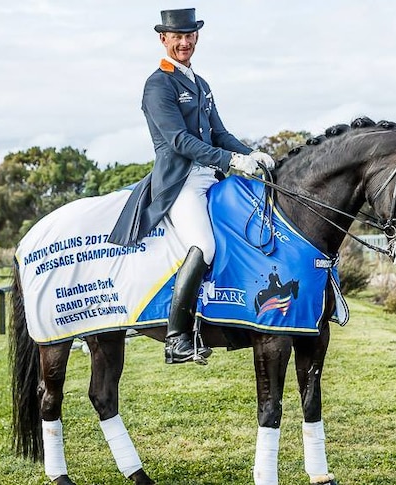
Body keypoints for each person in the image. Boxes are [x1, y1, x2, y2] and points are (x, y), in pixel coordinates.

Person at [109, 8, 275, 364]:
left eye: (190, 36)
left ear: (197, 37)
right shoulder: (158, 84)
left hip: (211, 178)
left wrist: (253, 154)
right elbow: (179, 141)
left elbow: (219, 133)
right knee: (205, 244)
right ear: (164, 39)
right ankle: (176, 337)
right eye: (177, 37)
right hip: (180, 181)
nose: (184, 43)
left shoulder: (201, 84)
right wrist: (231, 162)